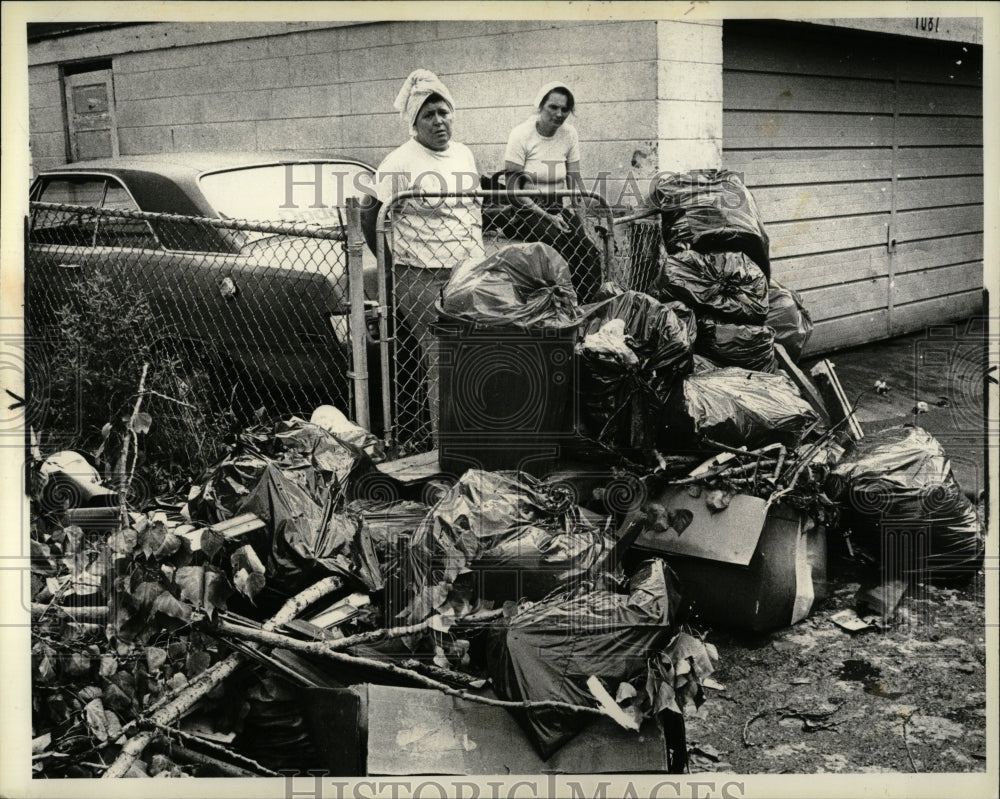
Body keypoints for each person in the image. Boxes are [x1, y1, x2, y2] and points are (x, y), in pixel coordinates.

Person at [361, 69, 484, 445]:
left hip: (467, 270)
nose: (439, 121)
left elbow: (474, 208)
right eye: (428, 115)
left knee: (473, 352)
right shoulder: (399, 161)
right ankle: (447, 447)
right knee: (442, 356)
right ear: (414, 123)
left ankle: (475, 435)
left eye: (443, 112)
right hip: (420, 275)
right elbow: (371, 214)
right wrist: (388, 264)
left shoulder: (463, 153)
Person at [499, 82, 603, 303]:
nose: (559, 114)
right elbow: (512, 189)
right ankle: (564, 306)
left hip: (557, 206)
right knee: (560, 251)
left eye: (565, 109)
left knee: (589, 254)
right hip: (527, 208)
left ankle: (588, 307)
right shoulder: (521, 134)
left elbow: (574, 179)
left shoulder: (569, 134)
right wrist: (546, 215)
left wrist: (580, 217)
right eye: (553, 107)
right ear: (540, 106)